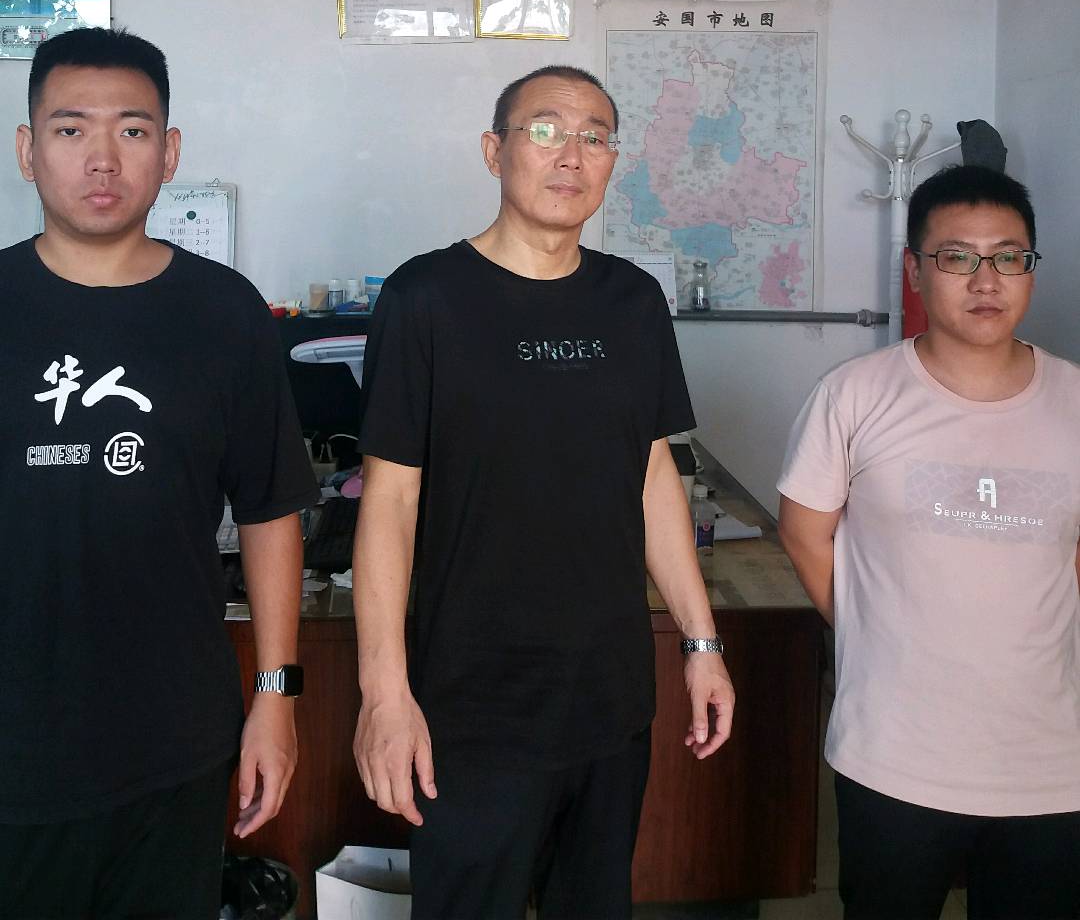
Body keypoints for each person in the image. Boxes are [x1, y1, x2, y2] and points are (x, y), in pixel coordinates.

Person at [351, 64, 735, 919]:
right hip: (472, 709)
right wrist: (385, 693)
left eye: (594, 137)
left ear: (612, 161)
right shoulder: (426, 298)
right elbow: (390, 503)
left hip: (608, 701)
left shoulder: (632, 301)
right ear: (495, 151)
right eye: (546, 131)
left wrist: (701, 643)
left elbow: (652, 475)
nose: (572, 155)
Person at [0, 27, 319, 920]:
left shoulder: (226, 313)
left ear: (169, 152)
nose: (102, 157)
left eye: (132, 130)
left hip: (174, 746)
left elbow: (269, 512)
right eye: (70, 129)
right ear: (27, 150)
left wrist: (277, 697)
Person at [778, 165, 1080, 920]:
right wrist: (875, 632)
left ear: (1031, 269)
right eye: (957, 257)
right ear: (915, 270)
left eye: (1009, 257)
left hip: (1050, 764)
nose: (987, 279)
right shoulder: (855, 394)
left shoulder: (1075, 401)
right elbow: (805, 532)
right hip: (893, 756)